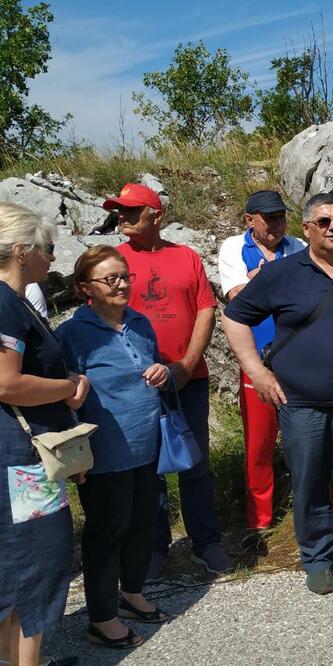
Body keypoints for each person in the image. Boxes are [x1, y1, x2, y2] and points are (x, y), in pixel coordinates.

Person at [222, 192, 333, 595]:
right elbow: (234, 317)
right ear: (306, 228)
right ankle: (318, 558)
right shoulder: (282, 273)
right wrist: (257, 372)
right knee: (310, 484)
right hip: (303, 405)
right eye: (323, 221)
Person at [105, 183, 233, 580]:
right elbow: (104, 316)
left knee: (194, 461)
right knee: (147, 468)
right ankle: (153, 546)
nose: (122, 217)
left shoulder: (186, 257)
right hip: (137, 385)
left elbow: (206, 310)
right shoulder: (114, 261)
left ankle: (206, 542)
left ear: (156, 215)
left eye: (131, 211)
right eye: (120, 211)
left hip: (187, 380)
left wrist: (187, 364)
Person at [56, 246, 169, 649]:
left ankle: (132, 594)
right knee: (107, 532)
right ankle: (102, 618)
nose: (122, 284)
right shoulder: (71, 334)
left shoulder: (140, 322)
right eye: (111, 279)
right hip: (103, 453)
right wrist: (74, 456)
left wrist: (163, 371)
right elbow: (65, 397)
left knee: (143, 523)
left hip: (147, 445)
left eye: (125, 276)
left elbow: (156, 367)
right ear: (86, 287)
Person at [0, 202, 88, 665]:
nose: (53, 258)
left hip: (22, 452)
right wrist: (69, 387)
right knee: (37, 561)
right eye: (47, 248)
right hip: (21, 457)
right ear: (21, 252)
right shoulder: (4, 303)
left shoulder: (14, 302)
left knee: (18, 562)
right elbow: (6, 383)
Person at [218, 191, 306, 542]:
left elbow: (309, 292)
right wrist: (276, 283)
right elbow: (237, 297)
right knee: (259, 443)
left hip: (300, 359)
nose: (275, 225)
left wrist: (262, 279)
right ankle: (259, 521)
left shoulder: (298, 246)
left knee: (308, 439)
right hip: (256, 360)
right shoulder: (233, 247)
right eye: (268, 218)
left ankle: (316, 508)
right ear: (249, 220)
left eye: (280, 217)